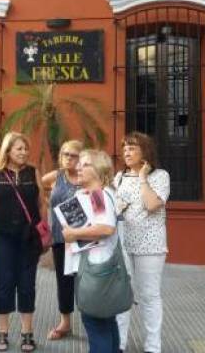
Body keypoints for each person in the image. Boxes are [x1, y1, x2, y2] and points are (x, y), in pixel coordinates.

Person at [0, 131, 47, 352]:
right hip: (1, 235)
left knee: (27, 283)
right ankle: (2, 331)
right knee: (5, 281)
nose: (24, 152)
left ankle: (27, 333)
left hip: (28, 237)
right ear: (7, 150)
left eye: (26, 149)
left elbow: (41, 203)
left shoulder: (33, 172)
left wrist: (44, 230)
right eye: (19, 148)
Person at [115, 132, 170, 353]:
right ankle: (119, 343)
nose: (126, 152)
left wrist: (143, 178)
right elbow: (115, 208)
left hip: (151, 244)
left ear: (145, 152)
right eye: (125, 148)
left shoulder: (160, 176)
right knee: (123, 295)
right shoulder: (119, 177)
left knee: (149, 294)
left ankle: (153, 346)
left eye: (132, 148)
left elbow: (152, 205)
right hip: (124, 243)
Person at [62, 149, 120, 353]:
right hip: (96, 269)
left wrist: (73, 234)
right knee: (105, 322)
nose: (78, 167)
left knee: (95, 324)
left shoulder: (98, 195)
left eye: (85, 164)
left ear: (98, 170)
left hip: (95, 270)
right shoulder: (92, 193)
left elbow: (105, 228)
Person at [41, 140, 83, 341]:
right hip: (60, 239)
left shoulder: (86, 177)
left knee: (86, 282)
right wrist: (47, 202)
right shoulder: (56, 176)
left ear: (81, 158)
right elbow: (36, 185)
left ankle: (93, 321)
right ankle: (65, 322)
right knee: (63, 282)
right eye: (65, 154)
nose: (68, 158)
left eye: (73, 155)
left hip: (86, 240)